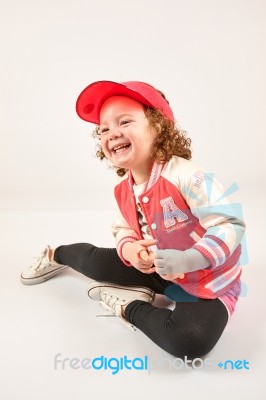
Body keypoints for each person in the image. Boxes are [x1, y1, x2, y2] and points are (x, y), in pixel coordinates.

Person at [20, 80, 246, 359]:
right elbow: (122, 229)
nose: (112, 133)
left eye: (124, 122)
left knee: (190, 341)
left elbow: (230, 224)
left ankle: (129, 306)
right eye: (104, 128)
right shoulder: (123, 190)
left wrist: (190, 259)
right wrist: (131, 251)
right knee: (95, 261)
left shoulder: (188, 175)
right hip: (156, 269)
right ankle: (57, 254)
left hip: (206, 279)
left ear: (158, 127)